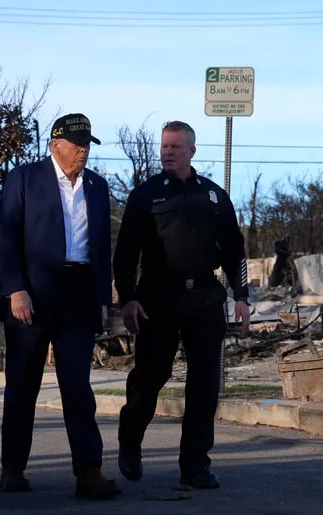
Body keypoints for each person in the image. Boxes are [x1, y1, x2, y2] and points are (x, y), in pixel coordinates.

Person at [113, 119, 251, 489]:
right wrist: (127, 299)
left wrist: (242, 297)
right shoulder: (145, 196)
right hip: (157, 298)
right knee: (151, 376)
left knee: (204, 383)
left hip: (204, 297)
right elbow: (125, 252)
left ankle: (195, 466)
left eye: (175, 147)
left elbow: (235, 249)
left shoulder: (214, 196)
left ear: (192, 150)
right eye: (164, 147)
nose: (168, 152)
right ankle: (130, 439)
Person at [0, 113, 120, 499]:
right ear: (55, 145)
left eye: (86, 145)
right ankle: (12, 469)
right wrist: (15, 288)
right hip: (32, 292)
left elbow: (102, 247)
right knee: (23, 386)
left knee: (78, 386)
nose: (82, 152)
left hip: (79, 292)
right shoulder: (25, 178)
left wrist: (101, 298)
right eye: (76, 144)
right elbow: (7, 236)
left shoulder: (97, 186)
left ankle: (89, 471)